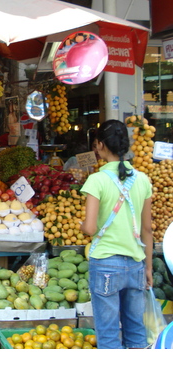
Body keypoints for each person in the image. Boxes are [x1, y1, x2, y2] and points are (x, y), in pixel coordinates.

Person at [80, 119, 153, 349]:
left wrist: (82, 226)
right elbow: (148, 230)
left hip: (106, 266)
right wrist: (148, 267)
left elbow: (90, 229)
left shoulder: (97, 180)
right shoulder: (142, 179)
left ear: (99, 144)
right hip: (136, 264)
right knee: (136, 331)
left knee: (109, 334)